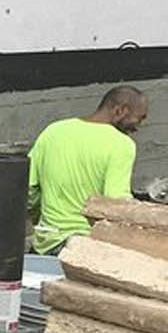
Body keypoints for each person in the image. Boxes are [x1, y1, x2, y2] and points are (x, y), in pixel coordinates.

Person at [27, 85, 148, 254]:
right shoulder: (122, 144)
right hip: (85, 245)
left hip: (46, 242)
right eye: (139, 118)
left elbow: (29, 190)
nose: (139, 126)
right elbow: (117, 203)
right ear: (120, 110)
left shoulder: (54, 130)